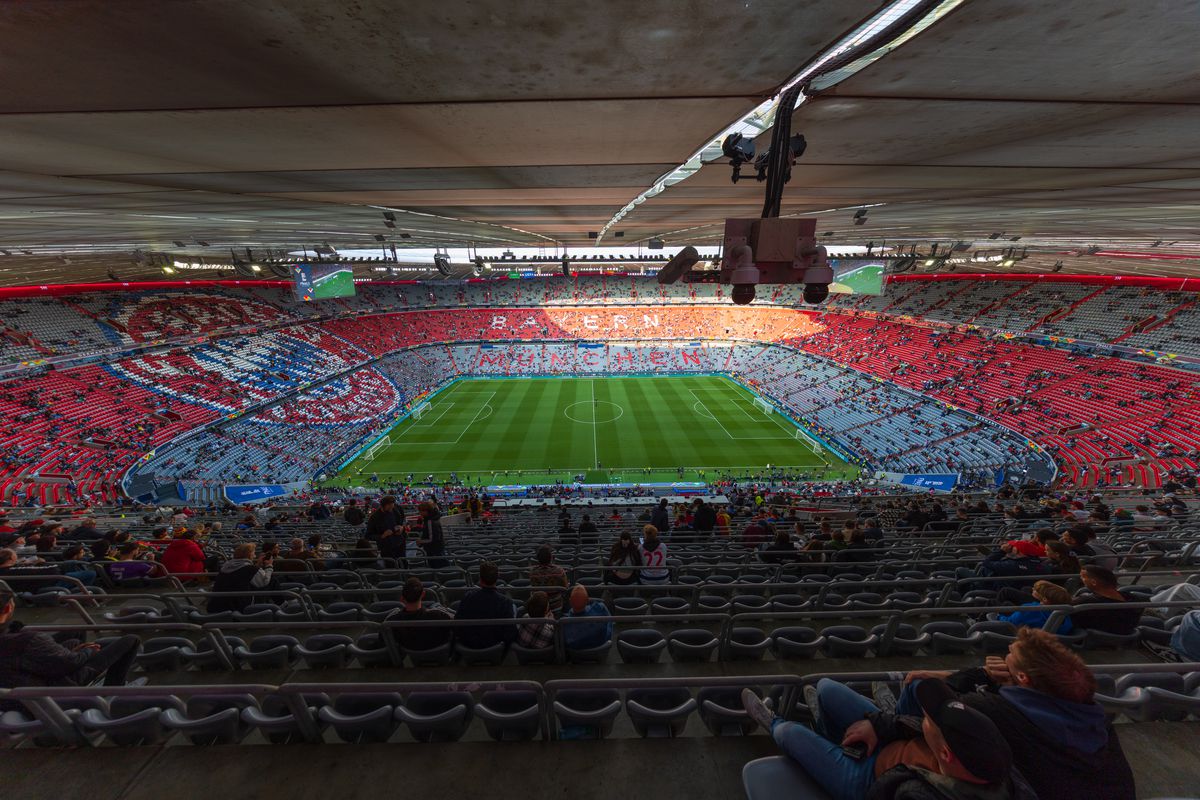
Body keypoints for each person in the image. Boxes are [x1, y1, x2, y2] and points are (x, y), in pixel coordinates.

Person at [899, 628, 1135, 800]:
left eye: (1010, 656)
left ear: (1023, 677)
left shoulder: (990, 709)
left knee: (916, 691)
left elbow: (943, 704)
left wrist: (982, 674)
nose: (1005, 657)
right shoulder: (1099, 722)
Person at [740, 677, 1035, 800]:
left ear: (946, 754)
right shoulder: (993, 757)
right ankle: (830, 737)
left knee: (789, 733)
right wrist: (881, 725)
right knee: (827, 687)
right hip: (889, 741)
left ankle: (772, 721)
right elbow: (913, 724)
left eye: (931, 720)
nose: (925, 717)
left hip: (867, 780)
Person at [0, 581, 142, 710]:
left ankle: (86, 682)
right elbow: (72, 662)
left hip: (18, 685)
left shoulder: (17, 637)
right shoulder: (28, 640)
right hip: (52, 690)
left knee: (75, 634)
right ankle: (113, 690)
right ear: (7, 609)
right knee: (131, 640)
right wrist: (88, 651)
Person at [454, 561, 516, 648]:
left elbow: (458, 624)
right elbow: (510, 631)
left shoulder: (468, 597)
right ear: (498, 577)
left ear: (480, 578)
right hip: (496, 646)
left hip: (469, 645)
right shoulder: (505, 602)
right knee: (514, 607)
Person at [1070, 565, 1141, 635]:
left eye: (1082, 577)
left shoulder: (1087, 602)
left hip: (1093, 638)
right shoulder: (1132, 599)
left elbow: (1066, 608)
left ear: (1093, 582)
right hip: (1125, 637)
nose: (1081, 579)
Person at [207, 543, 276, 613]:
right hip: (238, 608)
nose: (255, 556)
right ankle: (280, 606)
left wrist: (258, 565)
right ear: (249, 555)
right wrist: (269, 566)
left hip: (217, 606)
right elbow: (264, 582)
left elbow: (244, 574)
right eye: (254, 553)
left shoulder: (226, 565)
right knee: (272, 580)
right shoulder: (250, 569)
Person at [391, 577, 454, 652]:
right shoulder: (439, 615)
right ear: (423, 594)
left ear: (402, 598)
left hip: (411, 656)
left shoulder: (392, 622)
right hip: (442, 655)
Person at [998, 581, 1074, 633]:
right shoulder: (1064, 615)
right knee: (1007, 604)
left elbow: (1010, 622)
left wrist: (997, 615)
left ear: (1045, 599)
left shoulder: (1029, 610)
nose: (1032, 589)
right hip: (1040, 630)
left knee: (1004, 604)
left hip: (1016, 632)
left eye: (1037, 590)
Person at [562, 585, 612, 650]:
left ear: (570, 602)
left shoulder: (564, 624)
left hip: (576, 655)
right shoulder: (601, 609)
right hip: (601, 651)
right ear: (587, 601)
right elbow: (609, 630)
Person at [365, 495, 406, 564]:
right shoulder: (374, 518)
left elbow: (402, 523)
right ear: (382, 506)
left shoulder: (395, 510)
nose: (391, 509)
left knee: (403, 563)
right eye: (389, 507)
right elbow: (368, 536)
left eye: (392, 506)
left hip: (400, 544)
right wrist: (382, 536)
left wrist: (402, 528)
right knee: (391, 566)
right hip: (386, 548)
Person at [529, 545, 568, 614]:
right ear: (551, 558)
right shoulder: (559, 571)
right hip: (556, 607)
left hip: (539, 608)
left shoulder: (532, 572)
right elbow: (565, 588)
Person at [416, 500, 447, 567]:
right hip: (436, 549)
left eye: (421, 511)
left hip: (434, 550)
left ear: (426, 511)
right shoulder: (431, 519)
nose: (420, 513)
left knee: (437, 567)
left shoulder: (430, 521)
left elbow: (433, 539)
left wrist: (420, 541)